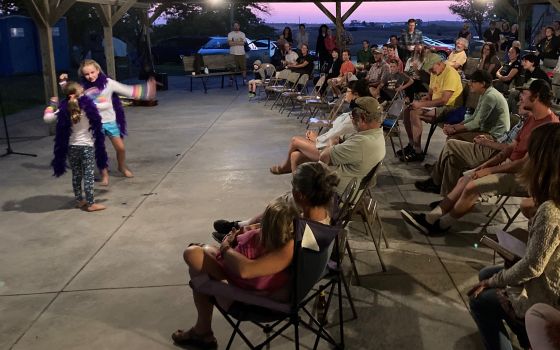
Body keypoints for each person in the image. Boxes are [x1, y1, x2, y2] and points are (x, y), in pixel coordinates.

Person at [172, 163, 339, 349]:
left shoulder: (299, 239)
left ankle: (202, 331)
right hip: (279, 282)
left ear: (300, 195)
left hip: (265, 299)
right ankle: (202, 330)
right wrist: (253, 229)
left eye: (292, 187)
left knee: (193, 257)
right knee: (201, 253)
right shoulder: (325, 217)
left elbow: (246, 270)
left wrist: (226, 246)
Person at [213, 96, 386, 238]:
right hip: (341, 192)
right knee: (286, 197)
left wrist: (332, 144)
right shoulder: (375, 136)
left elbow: (324, 156)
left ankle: (240, 235)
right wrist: (334, 143)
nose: (353, 123)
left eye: (354, 119)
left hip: (333, 199)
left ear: (363, 119)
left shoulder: (362, 143)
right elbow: (341, 139)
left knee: (281, 209)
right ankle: (240, 227)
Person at [401, 79, 559, 234]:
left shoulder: (549, 126)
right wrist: (485, 166)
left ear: (536, 96)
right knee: (465, 179)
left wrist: (490, 171)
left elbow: (523, 165)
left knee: (472, 187)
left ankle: (441, 225)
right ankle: (430, 219)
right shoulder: (532, 118)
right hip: (512, 166)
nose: (520, 97)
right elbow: (510, 149)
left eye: (524, 93)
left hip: (528, 177)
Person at [467, 122, 560, 350]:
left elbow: (533, 267)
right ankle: (526, 336)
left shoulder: (550, 210)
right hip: (548, 275)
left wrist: (492, 283)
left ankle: (524, 331)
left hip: (547, 295)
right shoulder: (549, 202)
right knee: (486, 272)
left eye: (532, 154)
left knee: (480, 299)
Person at [414, 70, 511, 195]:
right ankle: (440, 176)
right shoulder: (485, 94)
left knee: (453, 140)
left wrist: (454, 129)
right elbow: (474, 117)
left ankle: (437, 177)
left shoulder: (490, 96)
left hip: (493, 136)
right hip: (486, 131)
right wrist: (455, 126)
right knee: (453, 138)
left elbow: (477, 123)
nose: (470, 84)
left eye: (473, 82)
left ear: (482, 83)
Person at [78, 59, 156, 185]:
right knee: (99, 149)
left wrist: (147, 91)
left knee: (121, 148)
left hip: (110, 121)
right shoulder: (82, 88)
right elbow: (71, 95)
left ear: (98, 70)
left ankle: (122, 166)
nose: (90, 76)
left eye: (92, 72)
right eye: (87, 74)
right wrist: (63, 83)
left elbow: (127, 90)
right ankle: (104, 174)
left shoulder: (108, 83)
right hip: (94, 123)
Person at [269, 80, 370, 174]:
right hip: (330, 147)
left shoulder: (353, 119)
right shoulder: (354, 113)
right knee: (295, 156)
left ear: (356, 95)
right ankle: (298, 191)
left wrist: (316, 139)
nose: (345, 94)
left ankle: (284, 168)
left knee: (295, 140)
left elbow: (334, 138)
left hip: (330, 153)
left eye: (348, 91)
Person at [44, 81, 108, 212]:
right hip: (86, 146)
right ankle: (91, 203)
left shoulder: (63, 109)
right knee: (88, 175)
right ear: (80, 93)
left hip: (71, 147)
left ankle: (79, 200)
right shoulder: (88, 106)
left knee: (77, 174)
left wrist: (52, 105)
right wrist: (97, 96)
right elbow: (106, 105)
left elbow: (47, 118)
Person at [399, 58, 464, 162]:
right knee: (407, 110)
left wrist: (421, 104)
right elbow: (431, 93)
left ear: (439, 64)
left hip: (449, 108)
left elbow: (444, 100)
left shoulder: (450, 74)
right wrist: (426, 97)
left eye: (431, 69)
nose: (430, 72)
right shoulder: (435, 72)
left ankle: (418, 152)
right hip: (437, 105)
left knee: (415, 113)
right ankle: (412, 144)